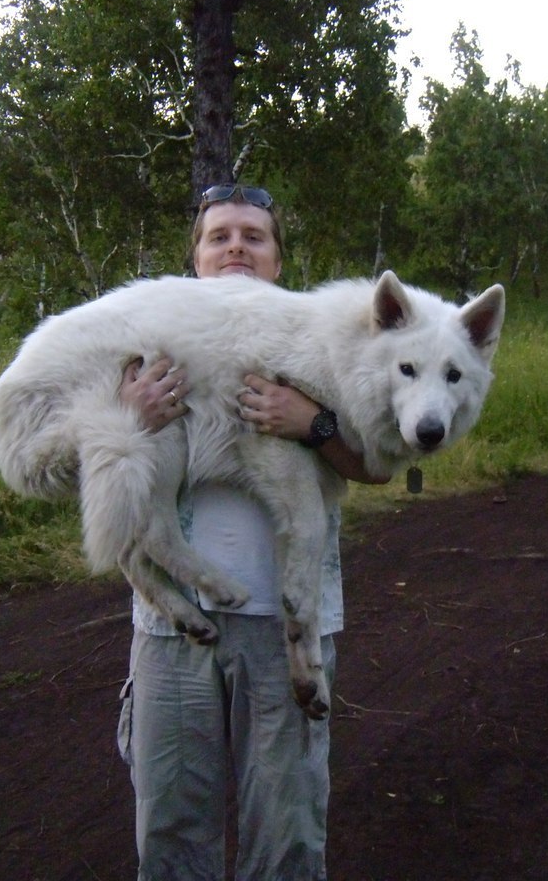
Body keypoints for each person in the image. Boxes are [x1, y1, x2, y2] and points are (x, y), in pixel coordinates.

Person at [115, 183, 388, 881]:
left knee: (287, 829)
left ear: (276, 259)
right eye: (219, 235)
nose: (236, 245)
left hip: (287, 629)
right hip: (171, 627)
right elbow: (87, 462)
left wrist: (312, 421)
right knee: (172, 825)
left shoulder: (325, 342)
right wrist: (128, 416)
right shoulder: (140, 339)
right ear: (196, 257)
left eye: (254, 236)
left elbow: (379, 464)